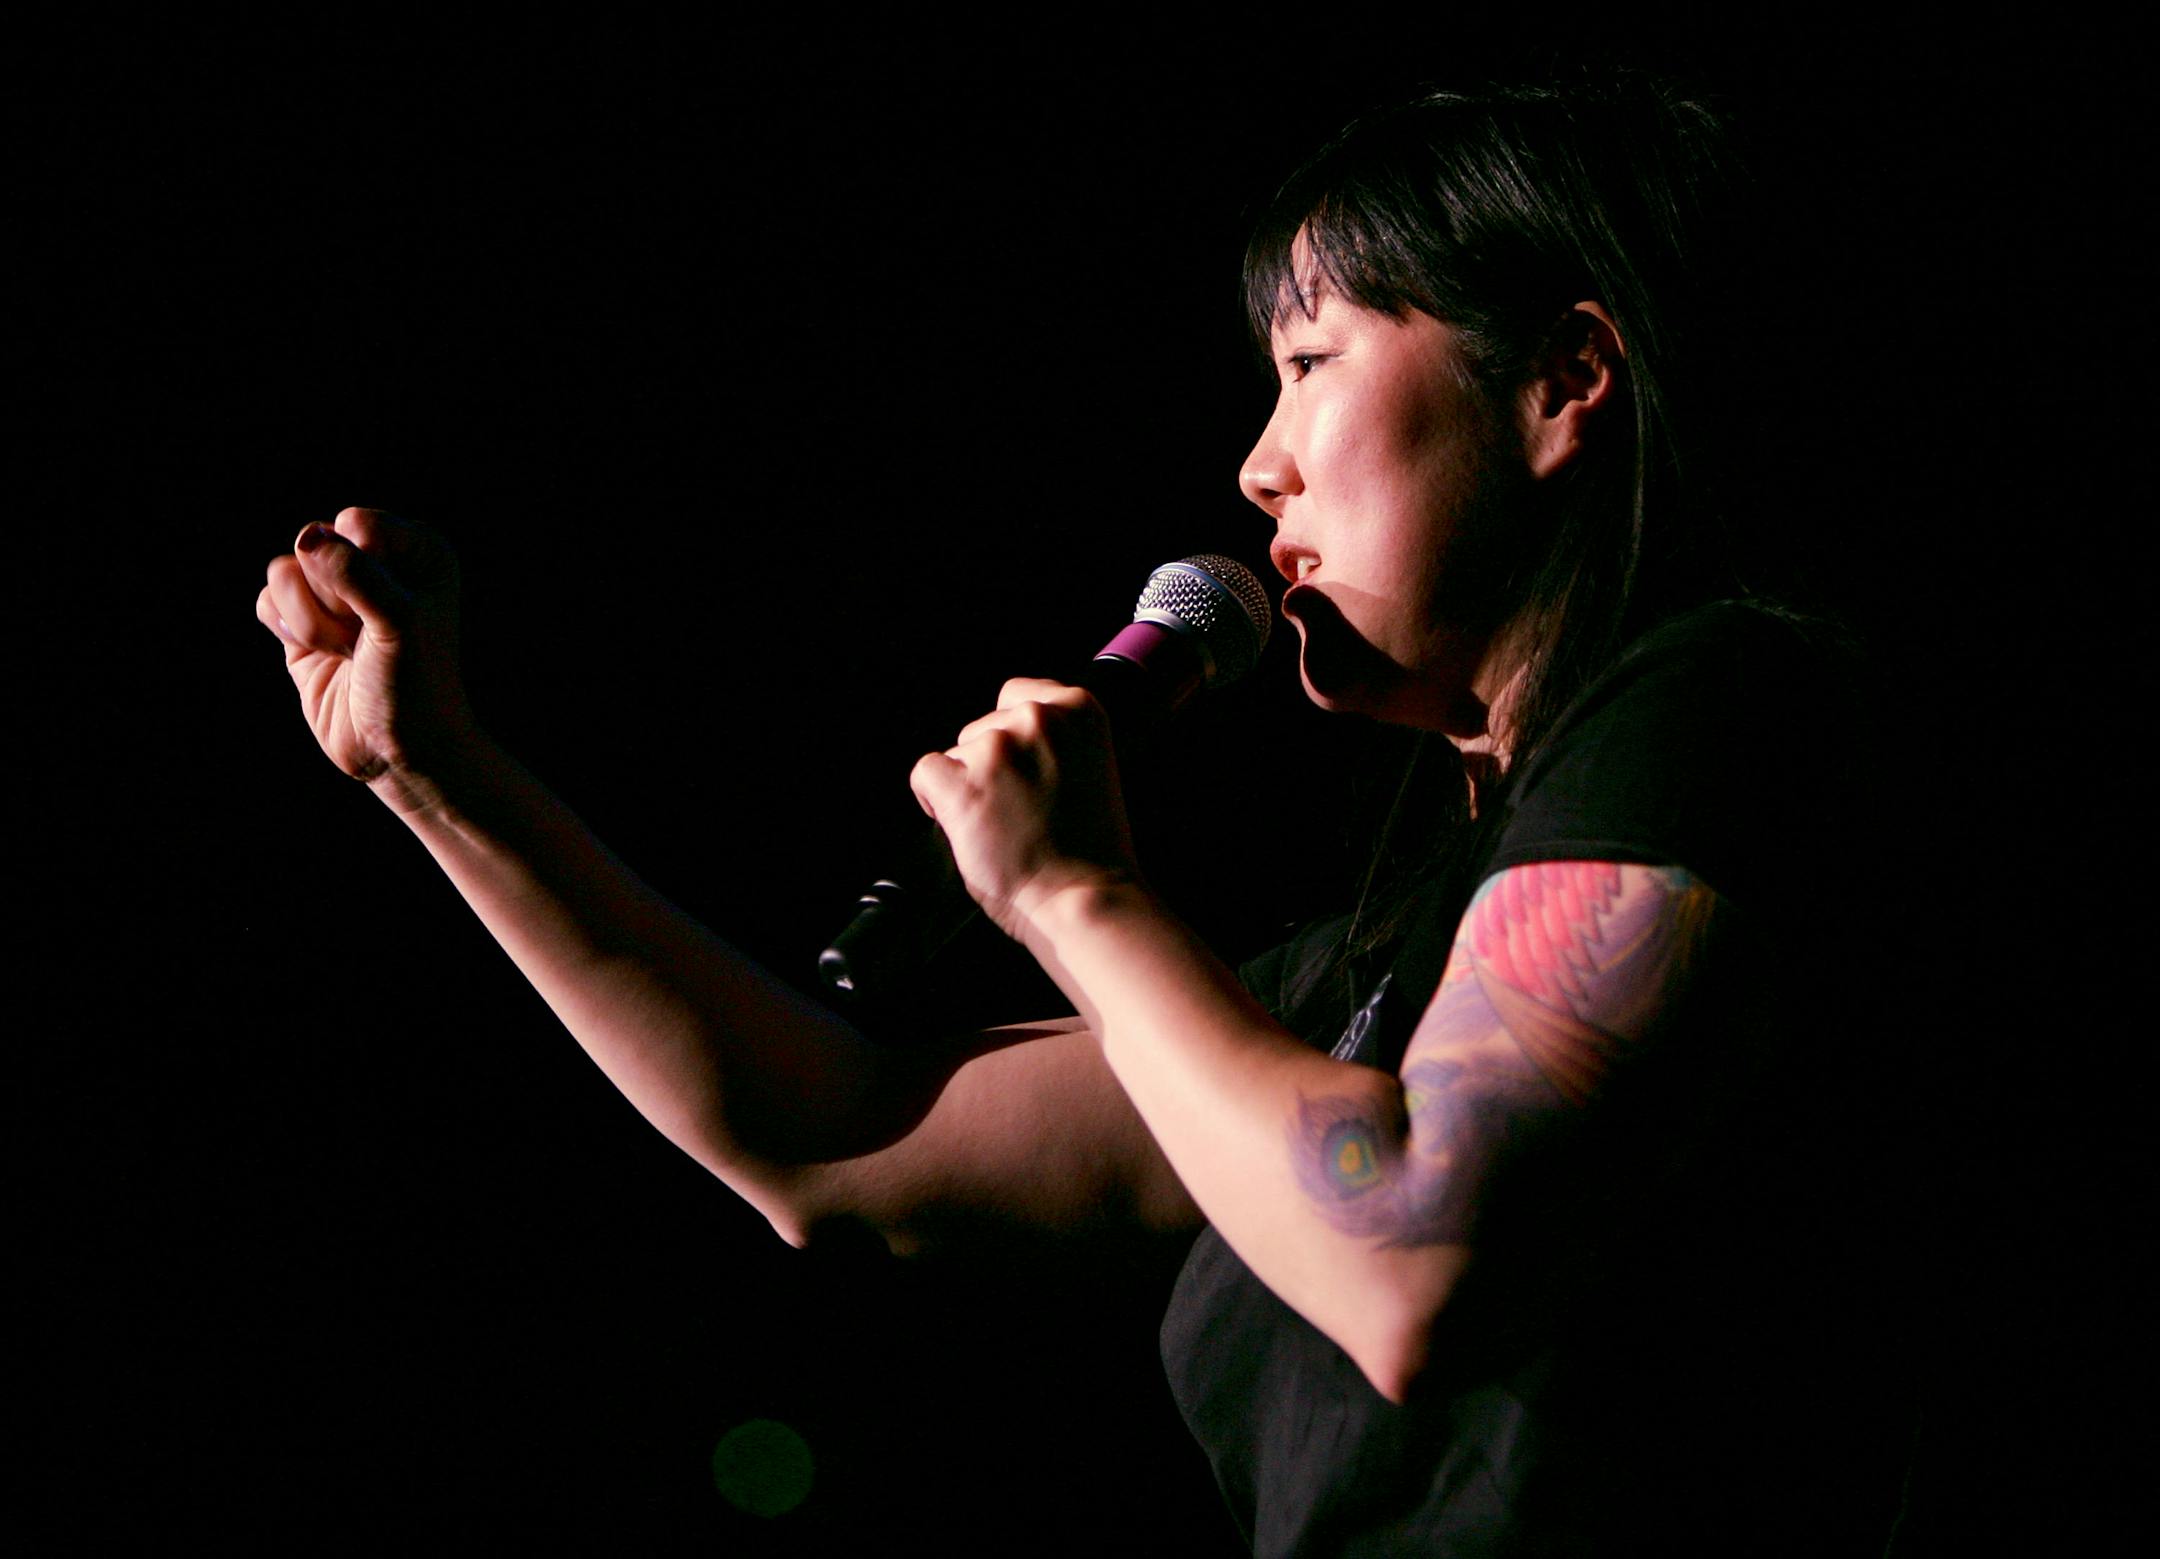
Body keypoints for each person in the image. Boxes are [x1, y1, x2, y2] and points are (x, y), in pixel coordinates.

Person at [257, 78, 1910, 1555]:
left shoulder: (1725, 710)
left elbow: (1410, 1244)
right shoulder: (1380, 969)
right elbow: (830, 1145)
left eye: (1314, 360)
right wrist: (436, 774)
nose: (1259, 467)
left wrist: (1073, 900)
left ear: (1568, 379)